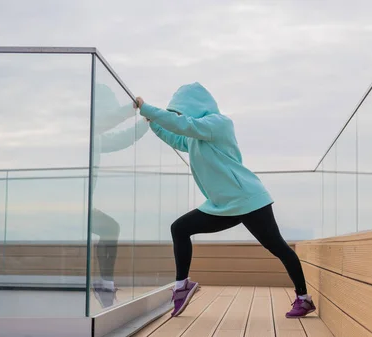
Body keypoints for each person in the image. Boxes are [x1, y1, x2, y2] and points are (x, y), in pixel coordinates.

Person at [135, 82, 315, 318]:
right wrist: (154, 124)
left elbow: (184, 125)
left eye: (180, 111)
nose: (180, 116)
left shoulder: (218, 123)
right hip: (222, 206)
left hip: (249, 200)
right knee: (179, 228)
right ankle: (181, 286)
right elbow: (177, 137)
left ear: (194, 106)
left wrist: (148, 109)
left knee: (278, 247)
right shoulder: (195, 135)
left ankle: (304, 298)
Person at [91, 84, 149, 308]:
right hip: (64, 205)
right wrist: (131, 107)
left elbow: (121, 139)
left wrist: (144, 124)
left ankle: (104, 284)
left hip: (81, 205)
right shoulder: (85, 129)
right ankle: (104, 284)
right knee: (109, 227)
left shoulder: (95, 137)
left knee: (110, 228)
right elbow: (105, 121)